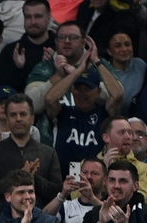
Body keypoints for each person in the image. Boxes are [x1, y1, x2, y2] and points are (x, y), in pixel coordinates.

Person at [44, 45, 122, 177]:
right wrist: (78, 71)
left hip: (95, 177)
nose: (81, 93)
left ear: (98, 92)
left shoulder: (104, 113)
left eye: (87, 89)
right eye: (78, 88)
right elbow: (49, 99)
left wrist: (97, 61)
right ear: (72, 90)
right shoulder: (64, 112)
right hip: (62, 177)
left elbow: (118, 95)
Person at [0, 93, 62, 206]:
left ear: (32, 119)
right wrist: (15, 178)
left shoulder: (48, 153)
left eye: (23, 114)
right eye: (13, 115)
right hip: (0, 214)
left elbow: (57, 191)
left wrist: (34, 179)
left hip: (38, 214)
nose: (18, 119)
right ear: (7, 120)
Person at [0, 0, 55, 93]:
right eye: (28, 17)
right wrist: (18, 70)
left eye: (38, 16)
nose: (33, 22)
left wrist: (52, 67)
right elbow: (3, 90)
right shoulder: (10, 51)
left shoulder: (60, 48)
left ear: (48, 17)